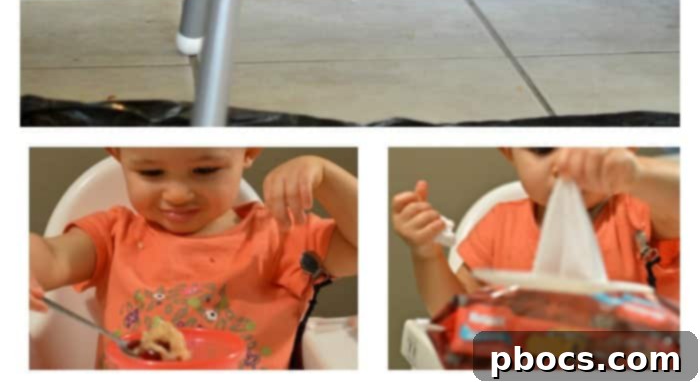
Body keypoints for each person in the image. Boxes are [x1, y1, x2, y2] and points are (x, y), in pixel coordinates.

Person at [30, 148, 358, 369]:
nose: (177, 194)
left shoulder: (281, 236)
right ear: (117, 152)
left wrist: (326, 176)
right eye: (152, 172)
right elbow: (52, 257)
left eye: (204, 170)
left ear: (248, 151)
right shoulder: (114, 234)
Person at [392, 147, 679, 317]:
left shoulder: (641, 212)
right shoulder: (499, 224)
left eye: (590, 151)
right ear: (508, 150)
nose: (565, 165)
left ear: (628, 145)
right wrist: (426, 253)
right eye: (543, 148)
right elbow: (454, 314)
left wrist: (636, 174)